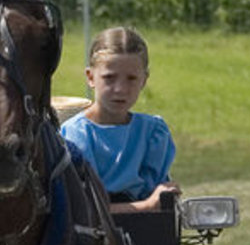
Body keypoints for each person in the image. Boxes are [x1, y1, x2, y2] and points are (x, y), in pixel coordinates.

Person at [60, 27, 178, 214]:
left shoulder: (152, 132)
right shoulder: (76, 135)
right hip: (90, 237)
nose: (121, 89)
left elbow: (158, 198)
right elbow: (82, 210)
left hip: (147, 231)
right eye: (109, 78)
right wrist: (146, 206)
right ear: (90, 77)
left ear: (144, 80)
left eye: (131, 78)